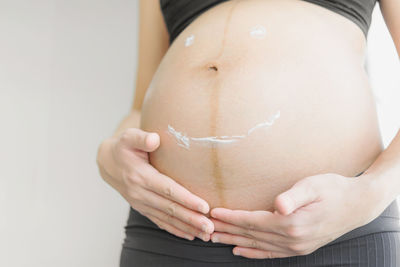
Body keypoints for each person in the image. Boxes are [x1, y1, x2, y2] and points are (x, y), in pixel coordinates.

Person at [96, 0, 400, 266]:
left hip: (333, 233)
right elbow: (139, 106)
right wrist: (110, 156)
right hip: (171, 232)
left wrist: (370, 194)